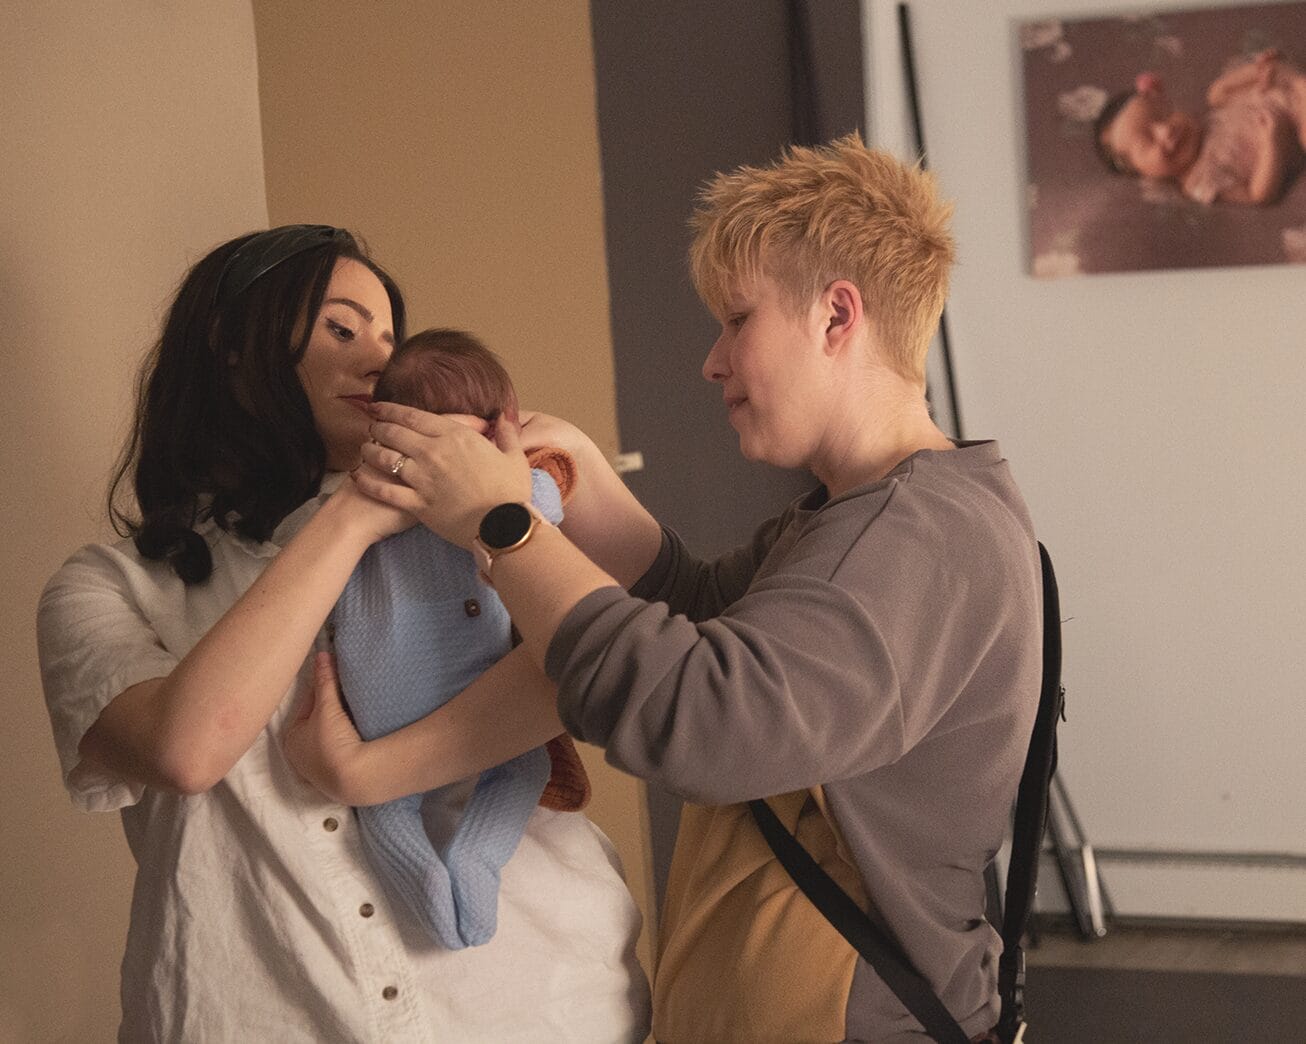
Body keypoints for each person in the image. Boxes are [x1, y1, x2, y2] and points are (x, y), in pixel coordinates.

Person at [287, 136, 1044, 1041]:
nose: (713, 362)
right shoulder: (864, 517)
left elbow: (708, 722)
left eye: (737, 320)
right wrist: (592, 488)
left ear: (837, 317)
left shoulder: (911, 540)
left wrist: (506, 526)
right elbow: (716, 616)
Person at [36, 225, 650, 1042]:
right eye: (342, 328)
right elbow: (188, 749)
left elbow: (583, 667)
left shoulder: (471, 528)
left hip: (534, 1002)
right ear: (232, 346)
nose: (378, 360)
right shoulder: (108, 589)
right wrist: (357, 513)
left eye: (391, 337)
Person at [330, 327, 591, 951]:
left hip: (374, 709)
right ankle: (475, 861)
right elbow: (542, 518)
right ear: (500, 426)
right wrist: (513, 471)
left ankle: (416, 869)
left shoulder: (350, 503)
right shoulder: (516, 489)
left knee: (387, 806)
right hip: (473, 695)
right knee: (521, 766)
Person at [1094, 50, 1306, 205]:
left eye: (1164, 115)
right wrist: (1272, 143)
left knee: (1216, 92)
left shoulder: (1202, 123)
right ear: (1142, 174)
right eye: (1148, 141)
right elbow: (1259, 194)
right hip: (1294, 129)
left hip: (1283, 92)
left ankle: (1274, 72)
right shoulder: (1200, 182)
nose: (1165, 130)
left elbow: (1226, 93)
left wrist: (1257, 72)